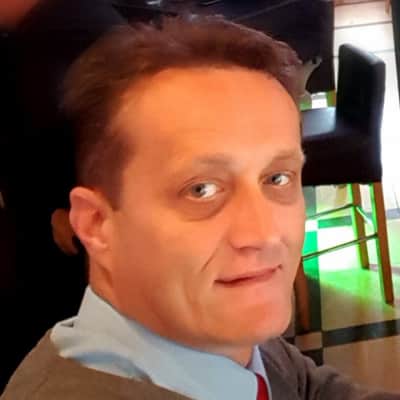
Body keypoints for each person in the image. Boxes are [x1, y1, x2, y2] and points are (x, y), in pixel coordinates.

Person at [2, 16, 399, 400]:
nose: (263, 234)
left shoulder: (212, 331)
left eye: (277, 178)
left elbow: (309, 388)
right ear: (96, 224)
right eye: (202, 189)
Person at [0, 0, 127, 390]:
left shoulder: (61, 31)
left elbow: (99, 128)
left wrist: (61, 199)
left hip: (65, 229)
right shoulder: (59, 25)